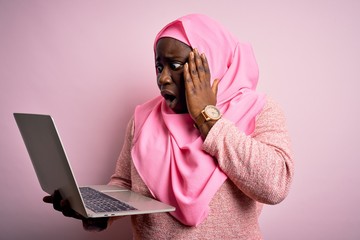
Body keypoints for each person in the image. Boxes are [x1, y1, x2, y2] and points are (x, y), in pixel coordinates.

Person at [44, 13, 294, 239]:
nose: (163, 78)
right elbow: (124, 184)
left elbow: (275, 186)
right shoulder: (144, 118)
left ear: (211, 62)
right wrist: (98, 214)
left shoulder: (257, 111)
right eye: (159, 67)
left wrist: (208, 119)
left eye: (174, 66)